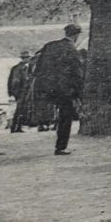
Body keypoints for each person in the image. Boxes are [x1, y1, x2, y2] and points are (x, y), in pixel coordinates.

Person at [32, 23, 85, 155]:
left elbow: (37, 66)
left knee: (48, 113)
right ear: (76, 35)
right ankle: (61, 147)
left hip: (46, 87)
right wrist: (79, 94)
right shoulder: (72, 50)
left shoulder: (50, 45)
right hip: (64, 89)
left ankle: (44, 127)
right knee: (66, 116)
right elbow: (77, 74)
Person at [7, 51, 37, 132]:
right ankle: (15, 127)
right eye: (25, 58)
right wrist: (15, 93)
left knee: (22, 110)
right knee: (19, 110)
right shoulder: (18, 68)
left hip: (24, 92)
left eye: (27, 58)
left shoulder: (26, 68)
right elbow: (14, 82)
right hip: (21, 92)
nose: (26, 59)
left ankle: (18, 127)